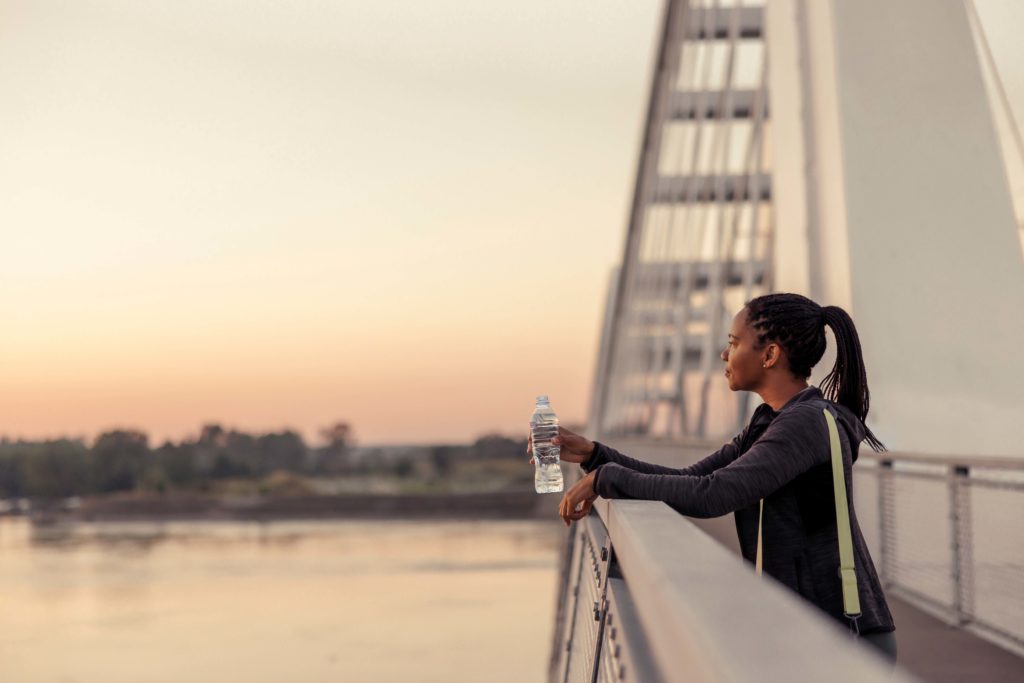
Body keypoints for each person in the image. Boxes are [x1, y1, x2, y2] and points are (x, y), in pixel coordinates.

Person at [551, 293, 897, 663]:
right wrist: (594, 455)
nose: (723, 354)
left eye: (733, 343)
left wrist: (605, 478)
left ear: (769, 355)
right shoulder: (770, 421)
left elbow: (713, 495)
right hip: (809, 627)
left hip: (843, 635)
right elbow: (692, 478)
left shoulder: (805, 423)